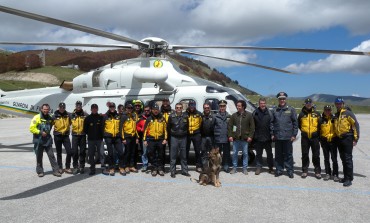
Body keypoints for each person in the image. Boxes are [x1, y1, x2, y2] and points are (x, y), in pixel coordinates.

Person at [334, 97, 360, 187]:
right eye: (337, 104)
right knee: (343, 159)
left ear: (343, 104)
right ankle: (346, 177)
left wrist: (356, 138)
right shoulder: (336, 114)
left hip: (347, 138)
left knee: (348, 159)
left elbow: (355, 125)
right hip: (339, 139)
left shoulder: (348, 113)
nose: (338, 105)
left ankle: (349, 179)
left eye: (340, 103)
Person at [30, 104, 61, 177]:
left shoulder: (50, 118)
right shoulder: (36, 117)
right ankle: (40, 171)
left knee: (51, 156)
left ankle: (56, 171)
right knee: (39, 157)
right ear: (41, 109)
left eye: (47, 109)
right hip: (39, 140)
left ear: (49, 110)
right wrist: (40, 132)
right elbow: (31, 128)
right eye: (44, 109)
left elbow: (55, 122)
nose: (46, 111)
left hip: (47, 140)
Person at [272, 92, 298, 178]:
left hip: (288, 137)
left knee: (288, 154)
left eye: (283, 99)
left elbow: (295, 123)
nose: (282, 100)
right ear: (278, 100)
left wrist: (294, 134)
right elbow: (271, 123)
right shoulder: (275, 110)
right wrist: (272, 133)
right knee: (278, 154)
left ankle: (289, 170)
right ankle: (279, 170)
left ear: (285, 99)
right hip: (278, 136)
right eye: (280, 99)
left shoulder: (291, 109)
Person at [228, 100, 255, 175]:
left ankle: (245, 168)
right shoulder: (234, 115)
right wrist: (231, 135)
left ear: (243, 106)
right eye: (237, 106)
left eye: (239, 106)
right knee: (235, 153)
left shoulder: (249, 115)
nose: (237, 107)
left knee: (245, 153)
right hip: (236, 138)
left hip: (245, 138)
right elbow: (231, 126)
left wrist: (250, 136)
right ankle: (234, 168)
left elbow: (252, 127)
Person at [298, 98, 322, 179]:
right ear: (305, 104)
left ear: (312, 104)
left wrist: (316, 134)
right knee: (305, 154)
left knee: (316, 155)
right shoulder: (301, 114)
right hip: (305, 138)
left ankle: (317, 171)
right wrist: (304, 132)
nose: (308, 104)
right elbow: (299, 125)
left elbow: (320, 125)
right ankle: (304, 171)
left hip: (315, 138)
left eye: (310, 103)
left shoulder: (317, 114)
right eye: (307, 103)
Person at [143, 103, 167, 177]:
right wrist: (145, 140)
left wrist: (165, 139)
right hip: (151, 139)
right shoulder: (149, 119)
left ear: (158, 110)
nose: (155, 111)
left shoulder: (162, 118)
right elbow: (145, 130)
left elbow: (165, 129)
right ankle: (154, 168)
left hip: (160, 140)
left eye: (157, 110)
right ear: (152, 110)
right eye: (154, 110)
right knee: (152, 154)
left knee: (161, 154)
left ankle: (160, 168)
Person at [168, 103, 190, 178]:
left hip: (183, 138)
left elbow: (187, 127)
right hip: (174, 137)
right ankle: (173, 171)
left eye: (180, 108)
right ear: (175, 108)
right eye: (177, 108)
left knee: (183, 155)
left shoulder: (185, 116)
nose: (179, 109)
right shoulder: (171, 116)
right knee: (173, 155)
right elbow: (168, 128)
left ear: (182, 108)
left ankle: (184, 171)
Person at [252, 97, 274, 175]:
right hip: (258, 137)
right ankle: (258, 167)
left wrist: (272, 134)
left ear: (266, 104)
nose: (263, 105)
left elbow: (272, 124)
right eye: (261, 103)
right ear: (259, 104)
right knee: (258, 154)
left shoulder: (270, 113)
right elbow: (252, 125)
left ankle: (271, 167)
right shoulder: (255, 112)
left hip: (267, 137)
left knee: (269, 154)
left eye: (264, 103)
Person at [103, 102, 125, 176]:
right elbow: (102, 127)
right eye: (110, 107)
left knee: (121, 152)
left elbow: (121, 127)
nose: (112, 108)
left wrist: (122, 137)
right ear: (109, 108)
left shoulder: (118, 116)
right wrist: (104, 136)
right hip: (108, 137)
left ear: (115, 108)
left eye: (113, 107)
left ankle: (121, 167)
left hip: (117, 137)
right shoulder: (105, 116)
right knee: (110, 153)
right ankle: (111, 168)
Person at [320, 105, 339, 182]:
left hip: (333, 141)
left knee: (334, 159)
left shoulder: (334, 119)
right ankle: (328, 173)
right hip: (324, 142)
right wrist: (320, 139)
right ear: (324, 111)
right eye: (326, 110)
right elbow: (319, 130)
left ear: (331, 110)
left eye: (329, 110)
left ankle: (335, 174)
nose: (327, 111)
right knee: (326, 158)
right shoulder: (321, 119)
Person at [52, 102, 73, 174]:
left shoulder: (68, 115)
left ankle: (67, 167)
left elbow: (71, 122)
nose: (62, 109)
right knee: (59, 152)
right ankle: (60, 167)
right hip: (57, 136)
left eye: (63, 107)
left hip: (65, 136)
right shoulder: (54, 115)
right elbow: (50, 124)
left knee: (69, 151)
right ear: (59, 107)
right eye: (61, 107)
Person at [84, 103, 104, 175]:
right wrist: (90, 134)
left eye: (96, 108)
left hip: (99, 139)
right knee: (91, 154)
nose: (94, 109)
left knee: (101, 153)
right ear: (91, 109)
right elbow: (85, 129)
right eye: (93, 108)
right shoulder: (88, 118)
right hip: (91, 139)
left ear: (97, 109)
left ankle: (103, 167)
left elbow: (103, 128)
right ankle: (92, 168)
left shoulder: (101, 118)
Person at [120, 103, 139, 174]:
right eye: (128, 108)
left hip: (133, 137)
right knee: (127, 152)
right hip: (127, 137)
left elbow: (135, 128)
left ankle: (131, 166)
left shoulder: (133, 116)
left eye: (131, 108)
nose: (129, 109)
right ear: (126, 108)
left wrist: (137, 137)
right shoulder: (124, 116)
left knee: (132, 152)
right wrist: (123, 138)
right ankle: (126, 166)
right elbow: (121, 128)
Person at [70, 101, 88, 174]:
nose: (78, 106)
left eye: (80, 105)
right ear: (75, 106)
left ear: (81, 106)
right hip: (74, 135)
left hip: (82, 135)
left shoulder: (85, 114)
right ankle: (75, 166)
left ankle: (82, 166)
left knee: (82, 152)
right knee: (74, 152)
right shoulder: (71, 115)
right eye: (77, 105)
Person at [214, 100, 231, 173]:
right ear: (219, 107)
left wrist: (232, 134)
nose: (222, 108)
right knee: (218, 154)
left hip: (227, 138)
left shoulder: (229, 116)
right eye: (221, 106)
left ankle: (226, 165)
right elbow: (212, 126)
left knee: (227, 153)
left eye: (223, 106)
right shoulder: (215, 116)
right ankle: (218, 166)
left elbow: (233, 126)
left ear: (226, 107)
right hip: (218, 138)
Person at [186, 100, 203, 172]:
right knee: (186, 150)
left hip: (196, 134)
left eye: (193, 105)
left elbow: (201, 124)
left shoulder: (199, 114)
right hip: (187, 134)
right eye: (190, 105)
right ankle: (185, 166)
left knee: (197, 150)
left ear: (195, 106)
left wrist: (199, 133)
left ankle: (198, 165)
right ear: (188, 106)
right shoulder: (185, 114)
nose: (192, 107)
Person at [137, 104, 151, 172]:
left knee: (153, 152)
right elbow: (137, 126)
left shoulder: (153, 117)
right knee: (144, 152)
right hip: (144, 137)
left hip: (152, 137)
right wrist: (141, 129)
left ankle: (153, 165)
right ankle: (145, 165)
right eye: (145, 110)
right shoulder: (141, 118)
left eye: (148, 110)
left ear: (150, 110)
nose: (147, 111)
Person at [201, 102, 215, 169]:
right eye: (205, 108)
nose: (206, 109)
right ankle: (205, 167)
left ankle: (211, 167)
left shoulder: (213, 116)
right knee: (204, 152)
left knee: (212, 153)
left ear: (210, 108)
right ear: (203, 108)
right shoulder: (201, 116)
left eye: (208, 108)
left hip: (211, 137)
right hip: (203, 137)